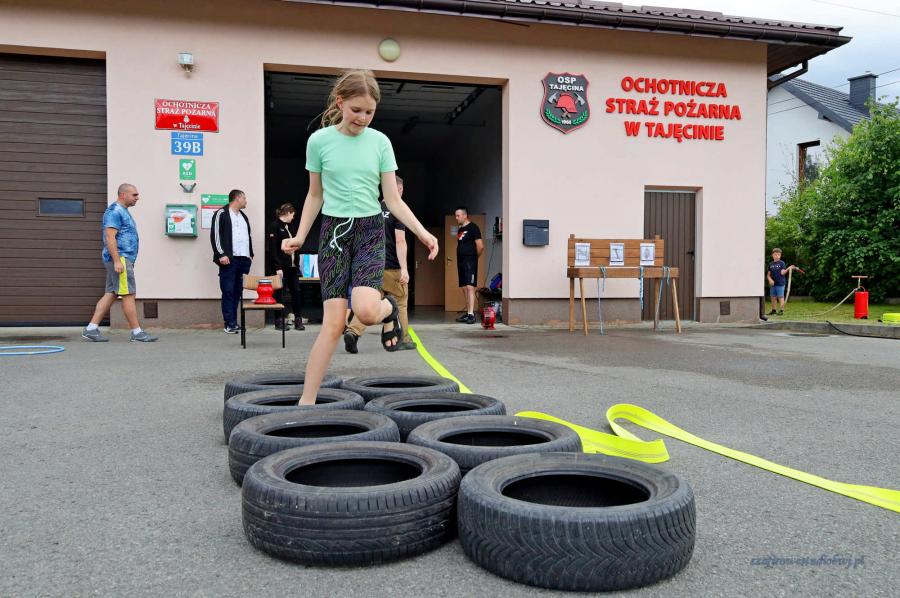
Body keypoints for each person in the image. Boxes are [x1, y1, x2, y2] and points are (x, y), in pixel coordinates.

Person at [282, 69, 438, 405]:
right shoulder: (319, 141)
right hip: (333, 235)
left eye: (369, 112)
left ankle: (388, 307)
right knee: (333, 324)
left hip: (369, 231)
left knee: (366, 312)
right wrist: (300, 235)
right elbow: (315, 195)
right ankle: (306, 402)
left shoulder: (380, 142)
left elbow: (392, 199)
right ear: (340, 102)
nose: (362, 118)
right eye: (356, 110)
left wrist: (422, 232)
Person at [343, 175, 415, 353]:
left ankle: (353, 332)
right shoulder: (398, 210)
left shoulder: (372, 208)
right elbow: (400, 241)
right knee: (400, 302)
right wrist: (404, 268)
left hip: (371, 266)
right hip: (391, 266)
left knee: (370, 303)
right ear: (399, 189)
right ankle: (404, 338)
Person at [82, 183, 158, 342]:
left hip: (121, 258)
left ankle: (91, 328)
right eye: (134, 195)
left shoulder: (122, 211)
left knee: (111, 293)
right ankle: (137, 333)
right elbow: (109, 237)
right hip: (121, 259)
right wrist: (117, 261)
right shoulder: (114, 211)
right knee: (128, 294)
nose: (137, 198)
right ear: (123, 195)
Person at [211, 189, 253, 334]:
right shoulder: (221, 214)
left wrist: (250, 254)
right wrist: (221, 254)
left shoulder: (243, 216)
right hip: (229, 259)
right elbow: (215, 235)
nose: (246, 201)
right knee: (228, 291)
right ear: (237, 198)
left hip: (243, 259)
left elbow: (248, 236)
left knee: (237, 292)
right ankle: (229, 323)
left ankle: (234, 322)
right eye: (244, 198)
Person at [268, 203, 305, 331]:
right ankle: (278, 321)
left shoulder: (291, 227)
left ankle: (298, 320)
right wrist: (277, 267)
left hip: (292, 266)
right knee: (279, 293)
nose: (293, 218)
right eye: (292, 215)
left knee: (296, 292)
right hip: (281, 267)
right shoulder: (274, 226)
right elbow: (273, 249)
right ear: (288, 213)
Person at [454, 206, 483, 324]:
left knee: (470, 287)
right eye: (456, 215)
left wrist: (474, 258)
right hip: (460, 261)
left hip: (470, 261)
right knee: (464, 287)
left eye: (458, 215)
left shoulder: (473, 227)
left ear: (465, 215)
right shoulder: (460, 229)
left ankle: (471, 315)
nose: (456, 218)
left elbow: (480, 246)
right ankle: (468, 313)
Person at [766, 247, 802, 315]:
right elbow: (768, 275)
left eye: (778, 255)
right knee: (773, 297)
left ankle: (781, 311)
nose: (777, 256)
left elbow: (782, 273)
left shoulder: (781, 263)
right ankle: (773, 310)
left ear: (780, 256)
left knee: (780, 297)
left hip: (780, 283)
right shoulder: (770, 264)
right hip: (773, 284)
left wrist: (788, 268)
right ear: (772, 255)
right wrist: (770, 280)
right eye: (775, 254)